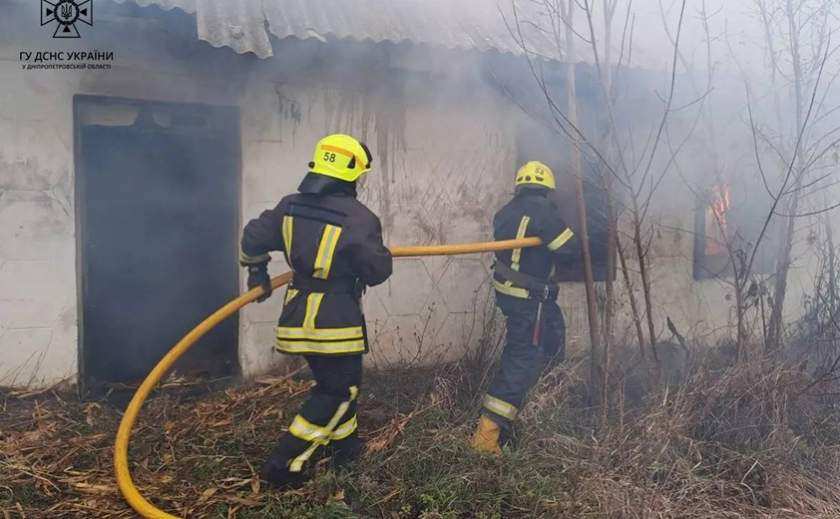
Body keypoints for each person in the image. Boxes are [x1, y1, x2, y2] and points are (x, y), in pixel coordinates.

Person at [239, 134, 392, 487]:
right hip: (335, 322)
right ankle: (284, 465)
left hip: (297, 316)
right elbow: (377, 272)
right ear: (353, 173)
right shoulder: (359, 218)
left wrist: (257, 272)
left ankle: (345, 450)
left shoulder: (289, 206)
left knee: (335, 383)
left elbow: (252, 238)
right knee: (340, 391)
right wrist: (380, 254)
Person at [471, 161, 576, 454]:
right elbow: (569, 249)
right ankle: (486, 437)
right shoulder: (544, 211)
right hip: (530, 300)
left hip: (513, 295)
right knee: (521, 360)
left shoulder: (505, 212)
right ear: (547, 189)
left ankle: (539, 404)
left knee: (552, 339)